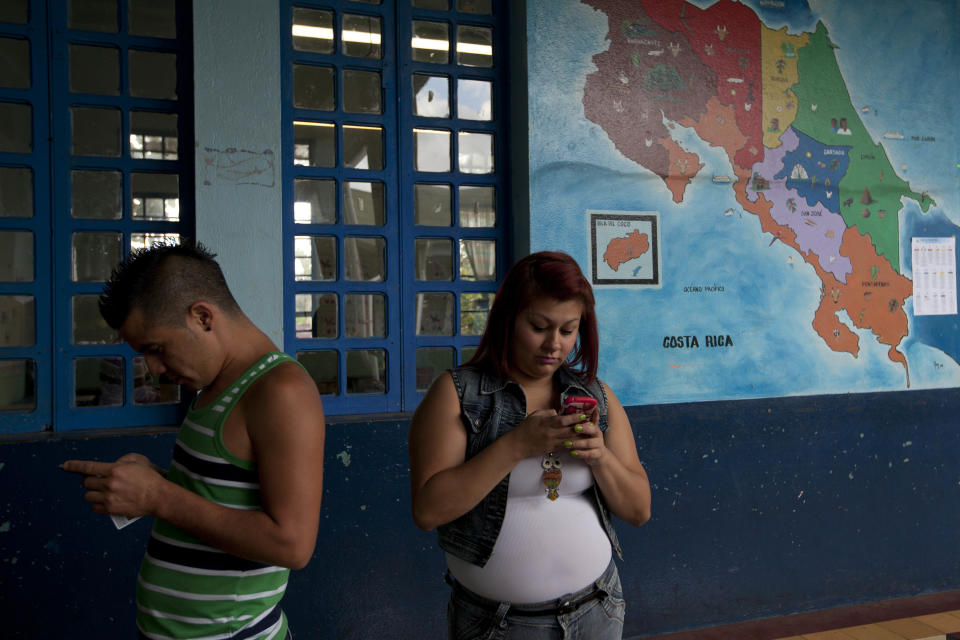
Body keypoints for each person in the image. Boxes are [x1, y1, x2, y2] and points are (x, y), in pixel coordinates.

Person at [63, 242, 326, 640]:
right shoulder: (214, 386)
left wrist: (158, 497)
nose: (153, 371)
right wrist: (153, 480)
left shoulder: (280, 392)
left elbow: (292, 544)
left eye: (156, 349)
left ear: (203, 317)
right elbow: (223, 494)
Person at [409, 251, 651, 639]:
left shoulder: (598, 398)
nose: (554, 344)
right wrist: (517, 445)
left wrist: (600, 458)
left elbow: (639, 510)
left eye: (568, 330)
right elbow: (428, 510)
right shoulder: (458, 394)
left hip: (597, 610)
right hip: (498, 625)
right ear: (508, 319)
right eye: (539, 326)